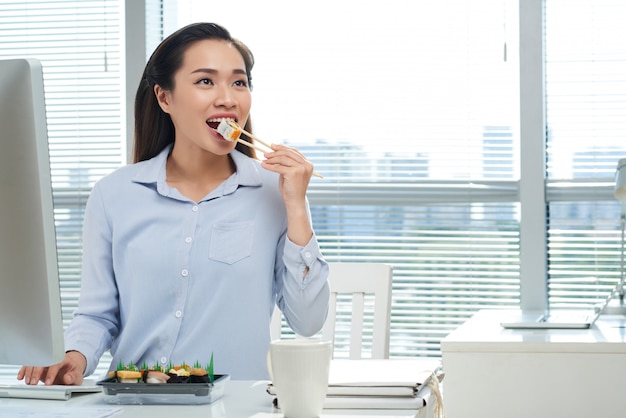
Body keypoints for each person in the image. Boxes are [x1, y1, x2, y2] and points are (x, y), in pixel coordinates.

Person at [18, 22, 330, 385]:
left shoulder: (273, 193)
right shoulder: (114, 195)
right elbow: (98, 314)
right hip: (132, 404)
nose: (228, 98)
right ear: (164, 98)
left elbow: (308, 321)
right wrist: (74, 357)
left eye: (239, 82)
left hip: (237, 408)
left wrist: (296, 205)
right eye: (205, 81)